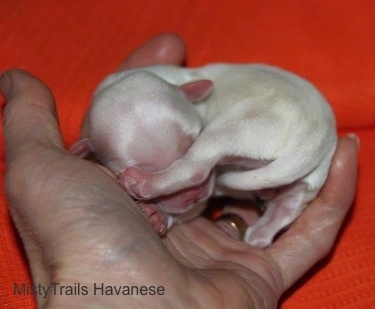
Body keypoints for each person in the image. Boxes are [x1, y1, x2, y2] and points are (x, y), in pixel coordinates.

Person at [0, 34, 358, 308]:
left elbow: (198, 178)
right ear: (86, 154)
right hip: (291, 145)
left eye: (188, 147)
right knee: (280, 179)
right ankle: (284, 203)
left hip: (285, 120)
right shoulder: (171, 106)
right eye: (147, 170)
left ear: (194, 95)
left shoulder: (203, 98)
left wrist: (167, 188)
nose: (192, 192)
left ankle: (279, 189)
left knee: (209, 159)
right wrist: (169, 219)